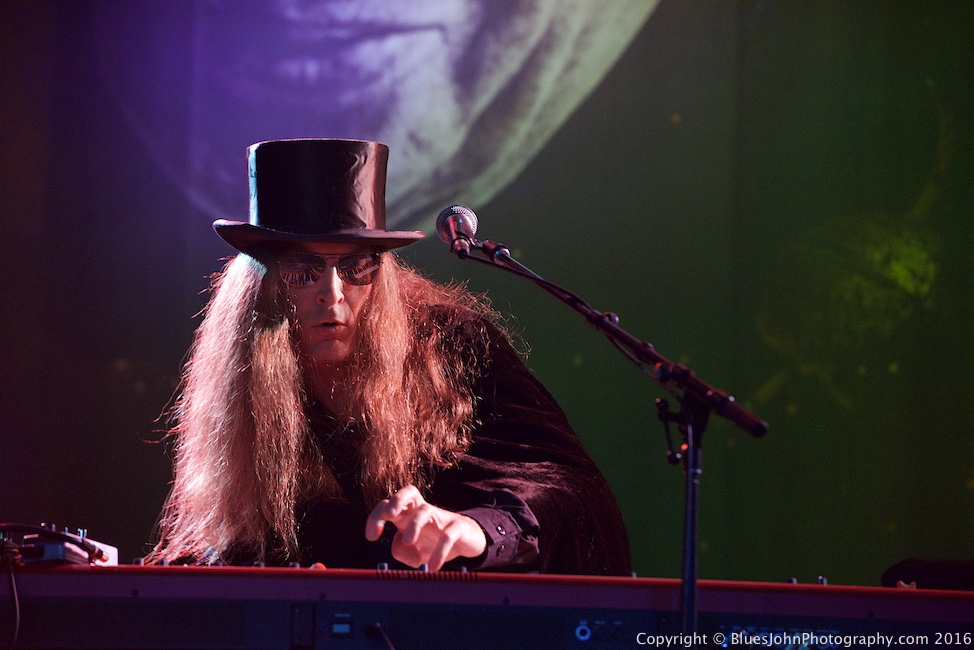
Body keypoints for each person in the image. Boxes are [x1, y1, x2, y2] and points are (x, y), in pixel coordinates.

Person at [147, 138, 631, 575]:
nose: (331, 293)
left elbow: (574, 494)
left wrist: (479, 530)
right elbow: (217, 545)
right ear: (263, 289)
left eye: (356, 266)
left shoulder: (452, 344)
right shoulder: (244, 389)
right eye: (302, 272)